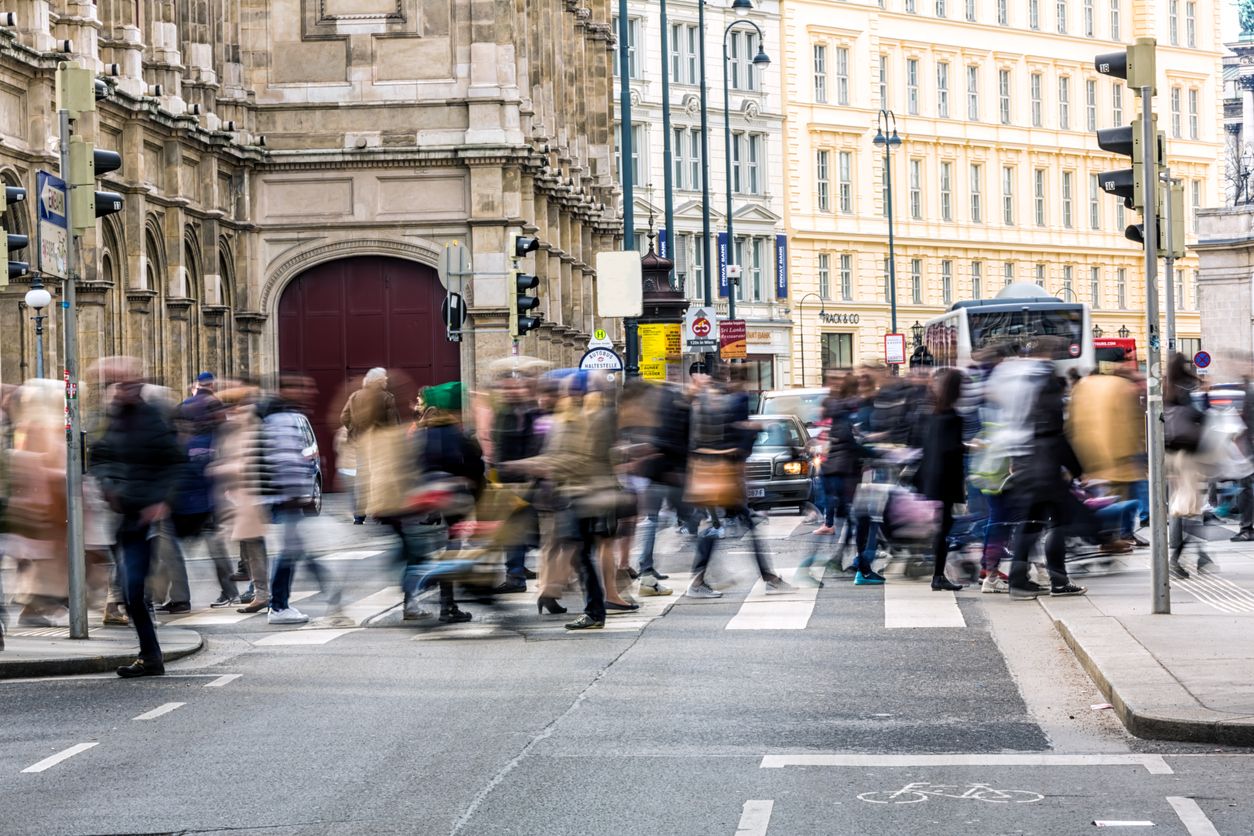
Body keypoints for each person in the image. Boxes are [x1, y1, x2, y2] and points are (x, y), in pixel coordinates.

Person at [89, 357, 185, 678]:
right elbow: (99, 456)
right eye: (116, 384)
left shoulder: (153, 420)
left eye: (128, 384)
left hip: (144, 517)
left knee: (132, 589)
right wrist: (107, 485)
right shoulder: (111, 419)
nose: (121, 390)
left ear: (139, 386)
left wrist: (162, 501)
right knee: (130, 592)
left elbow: (174, 463)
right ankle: (150, 656)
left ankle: (151, 656)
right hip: (121, 515)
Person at [987, 343, 1088, 600]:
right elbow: (1057, 437)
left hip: (1025, 461)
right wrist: (1077, 468)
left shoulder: (1023, 392)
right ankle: (1059, 581)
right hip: (1046, 468)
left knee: (1029, 525)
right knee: (1058, 523)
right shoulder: (1047, 392)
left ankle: (1019, 582)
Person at [685, 366, 793, 599]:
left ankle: (768, 577)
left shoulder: (717, 403)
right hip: (721, 475)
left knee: (731, 526)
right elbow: (725, 440)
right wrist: (751, 430)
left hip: (720, 475)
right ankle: (698, 581)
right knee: (717, 527)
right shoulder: (729, 403)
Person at [263, 375, 336, 624]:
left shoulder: (284, 416)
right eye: (300, 387)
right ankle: (279, 605)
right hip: (286, 497)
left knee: (294, 550)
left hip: (286, 496)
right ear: (285, 390)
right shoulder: (282, 419)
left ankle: (327, 594)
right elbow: (285, 461)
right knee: (290, 551)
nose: (309, 391)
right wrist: (296, 495)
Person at [917, 369, 968, 592]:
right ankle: (938, 576)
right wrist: (968, 447)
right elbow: (949, 448)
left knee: (942, 526)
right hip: (945, 478)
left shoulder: (935, 413)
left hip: (932, 477)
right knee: (944, 527)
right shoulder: (953, 417)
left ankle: (938, 575)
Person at [340, 367, 399, 524]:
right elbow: (393, 424)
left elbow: (344, 417)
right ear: (378, 380)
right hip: (381, 445)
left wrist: (354, 431)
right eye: (384, 378)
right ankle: (384, 512)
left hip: (361, 445)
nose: (386, 381)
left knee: (363, 478)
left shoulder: (354, 396)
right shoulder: (387, 397)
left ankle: (359, 516)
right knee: (383, 478)